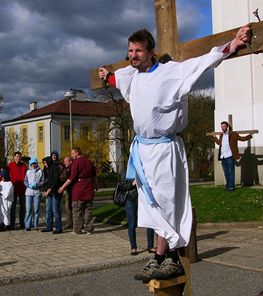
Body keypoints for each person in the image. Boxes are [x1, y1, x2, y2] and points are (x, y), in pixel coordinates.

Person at [98, 25, 251, 281]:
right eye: (130, 51)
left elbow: (203, 62)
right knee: (150, 204)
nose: (133, 56)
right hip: (143, 151)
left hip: (165, 148)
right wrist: (107, 76)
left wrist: (232, 45)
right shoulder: (132, 75)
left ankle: (173, 258)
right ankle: (159, 256)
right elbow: (117, 79)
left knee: (167, 201)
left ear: (151, 52)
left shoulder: (172, 72)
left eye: (138, 51)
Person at [58, 147, 98, 235]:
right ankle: (89, 229)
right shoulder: (89, 161)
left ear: (77, 153)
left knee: (77, 210)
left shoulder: (76, 162)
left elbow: (71, 178)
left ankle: (77, 229)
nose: (71, 155)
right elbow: (94, 175)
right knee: (88, 209)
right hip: (89, 187)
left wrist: (62, 187)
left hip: (79, 189)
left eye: (72, 153)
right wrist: (96, 185)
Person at [213, 121, 253, 191]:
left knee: (231, 172)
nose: (222, 128)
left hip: (229, 156)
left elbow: (242, 139)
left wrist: (249, 136)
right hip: (223, 157)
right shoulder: (221, 135)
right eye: (221, 127)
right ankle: (228, 186)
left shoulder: (233, 134)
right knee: (226, 173)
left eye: (224, 126)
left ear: (227, 127)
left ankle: (231, 187)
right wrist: (215, 137)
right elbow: (219, 143)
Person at [124, 180, 155, 255]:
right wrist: (132, 183)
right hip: (131, 199)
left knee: (150, 221)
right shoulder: (128, 171)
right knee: (132, 223)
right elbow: (122, 185)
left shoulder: (146, 169)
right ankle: (133, 247)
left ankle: (150, 246)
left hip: (145, 198)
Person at [41, 156, 63, 234]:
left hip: (55, 192)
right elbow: (47, 181)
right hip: (49, 192)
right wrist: (46, 189)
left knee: (55, 210)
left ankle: (58, 228)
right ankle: (49, 226)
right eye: (44, 163)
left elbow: (56, 180)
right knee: (48, 210)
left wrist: (51, 188)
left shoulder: (55, 168)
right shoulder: (47, 170)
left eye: (45, 163)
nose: (45, 164)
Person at [7, 151, 27, 230]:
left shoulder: (24, 166)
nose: (18, 158)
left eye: (19, 156)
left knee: (23, 207)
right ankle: (12, 224)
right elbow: (6, 175)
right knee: (13, 207)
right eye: (16, 156)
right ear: (14, 157)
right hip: (13, 189)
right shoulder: (10, 165)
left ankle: (22, 223)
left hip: (22, 188)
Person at [23, 157, 43, 231]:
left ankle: (35, 225)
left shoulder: (40, 172)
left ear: (36, 164)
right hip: (28, 193)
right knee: (28, 209)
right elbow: (25, 181)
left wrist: (37, 185)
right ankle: (27, 226)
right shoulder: (28, 172)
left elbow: (43, 181)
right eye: (32, 164)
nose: (33, 165)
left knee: (36, 209)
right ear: (30, 164)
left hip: (37, 193)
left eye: (34, 164)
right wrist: (29, 185)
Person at [60, 156, 73, 229]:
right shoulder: (65, 169)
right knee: (67, 207)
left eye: (66, 161)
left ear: (70, 161)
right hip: (68, 190)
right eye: (64, 161)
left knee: (73, 207)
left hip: (73, 190)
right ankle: (69, 223)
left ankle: (75, 223)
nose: (64, 163)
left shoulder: (73, 168)